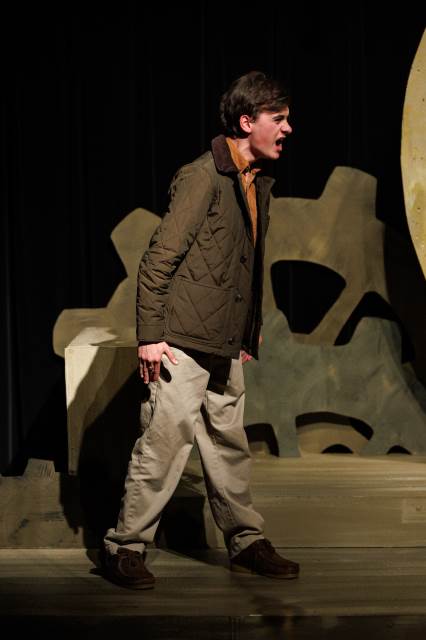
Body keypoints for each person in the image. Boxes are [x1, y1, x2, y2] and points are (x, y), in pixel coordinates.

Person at [103, 70, 299, 589]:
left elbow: (241, 266)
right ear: (246, 121)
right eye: (278, 119)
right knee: (164, 444)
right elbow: (158, 260)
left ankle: (246, 541)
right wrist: (150, 336)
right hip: (181, 341)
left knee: (229, 446)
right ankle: (124, 546)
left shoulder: (255, 182)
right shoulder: (203, 177)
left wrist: (246, 331)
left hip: (222, 341)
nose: (287, 129)